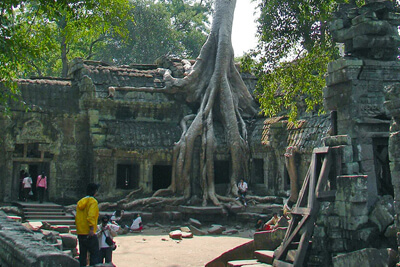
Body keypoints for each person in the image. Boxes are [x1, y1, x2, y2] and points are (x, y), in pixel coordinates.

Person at [75, 183, 100, 266]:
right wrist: (92, 228)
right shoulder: (93, 201)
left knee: (82, 255)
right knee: (94, 255)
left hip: (81, 232)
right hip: (89, 232)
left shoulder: (80, 202)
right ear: (95, 191)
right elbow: (91, 216)